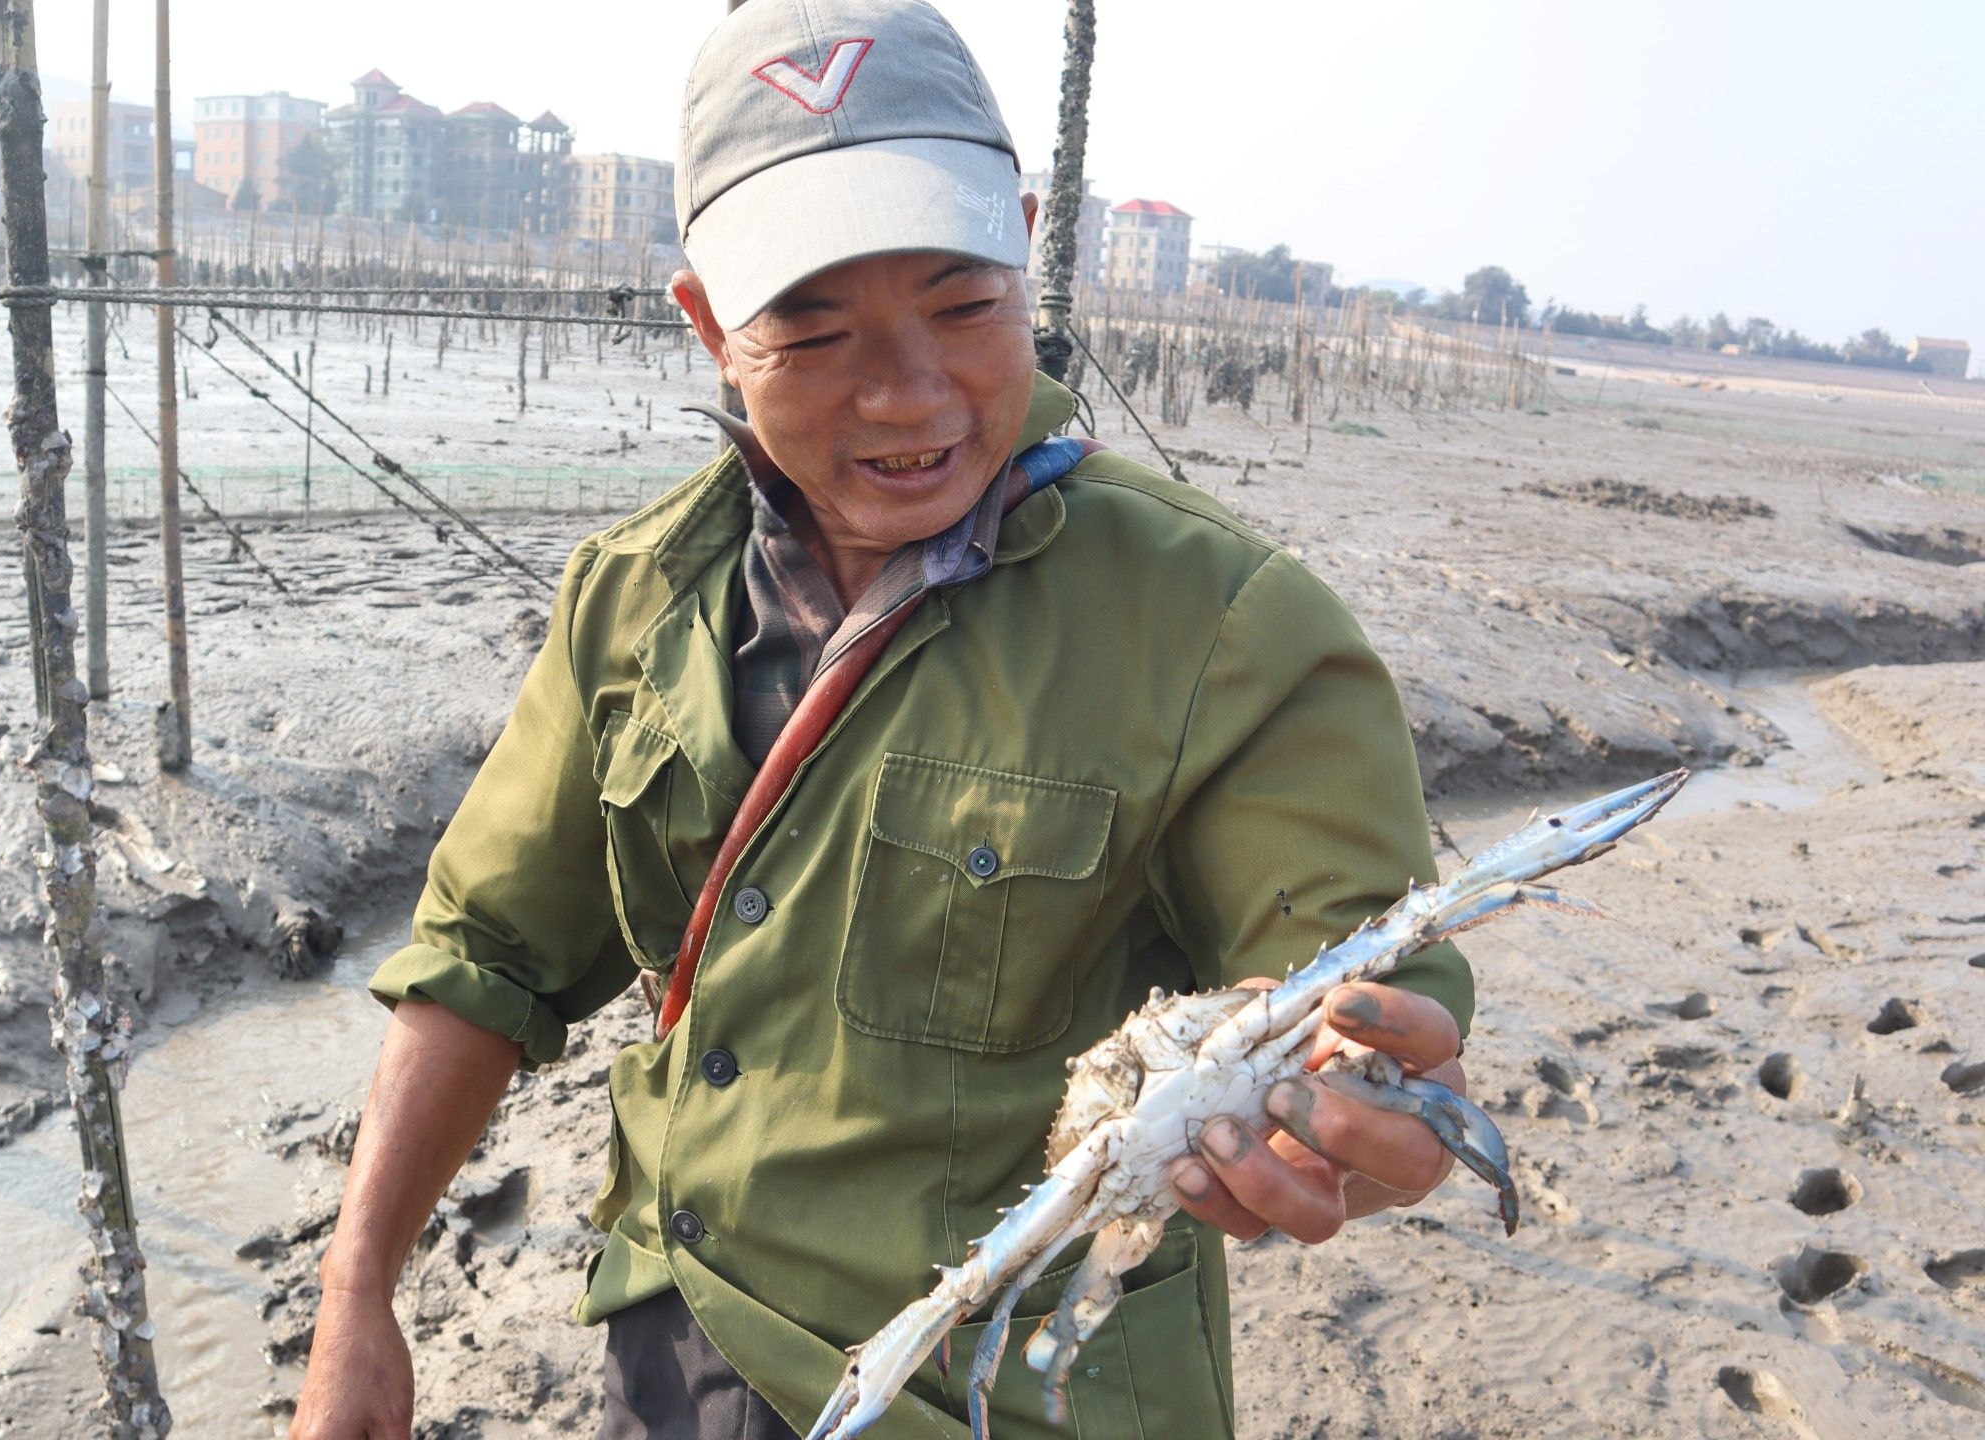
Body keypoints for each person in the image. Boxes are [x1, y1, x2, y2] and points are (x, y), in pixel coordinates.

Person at [291, 3, 1476, 1437]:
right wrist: (357, 1292)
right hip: (678, 1352)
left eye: (963, 306)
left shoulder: (1227, 626)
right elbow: (486, 951)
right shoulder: (636, 598)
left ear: (1025, 246)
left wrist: (1364, 1109)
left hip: (1005, 1399)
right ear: (713, 329)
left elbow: (1355, 974)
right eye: (814, 327)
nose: (909, 392)